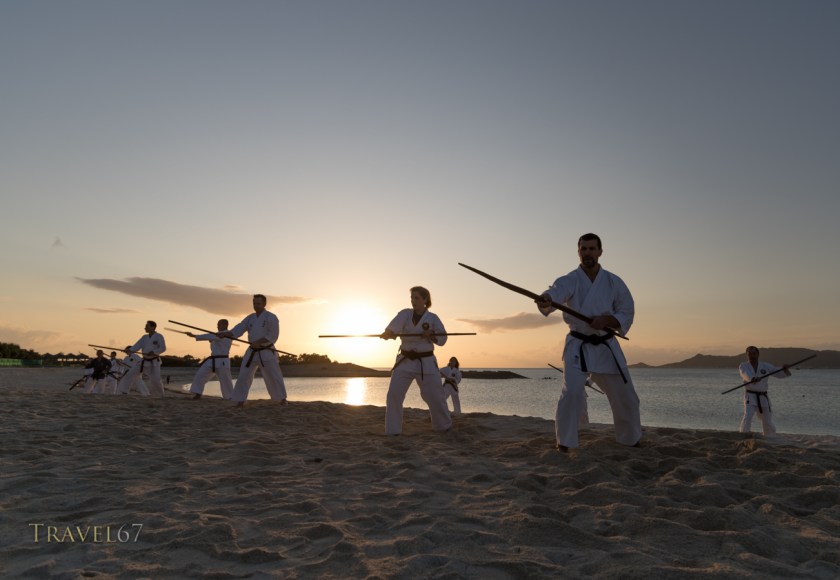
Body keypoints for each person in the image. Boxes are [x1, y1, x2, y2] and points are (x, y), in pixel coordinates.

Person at [536, 233, 642, 452]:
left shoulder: (614, 282)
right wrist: (547, 297)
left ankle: (629, 439)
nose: (588, 253)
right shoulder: (571, 279)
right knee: (572, 392)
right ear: (578, 252)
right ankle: (565, 442)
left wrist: (607, 320)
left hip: (606, 345)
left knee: (626, 396)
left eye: (592, 249)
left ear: (600, 251)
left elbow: (626, 311)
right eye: (583, 249)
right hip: (579, 345)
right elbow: (556, 292)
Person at [381, 286, 452, 435]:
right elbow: (394, 328)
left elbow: (443, 339)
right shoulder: (405, 314)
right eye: (412, 298)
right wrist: (389, 333)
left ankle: (443, 426)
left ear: (425, 300)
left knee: (435, 396)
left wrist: (431, 335)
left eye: (416, 298)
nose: (413, 301)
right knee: (394, 395)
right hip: (405, 360)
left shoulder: (433, 318)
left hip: (426, 362)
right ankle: (392, 431)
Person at [220, 294, 287, 406]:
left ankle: (281, 399)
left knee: (273, 375)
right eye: (254, 303)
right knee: (244, 375)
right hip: (252, 351)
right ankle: (240, 399)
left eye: (258, 304)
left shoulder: (271, 317)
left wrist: (259, 342)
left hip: (266, 351)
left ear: (264, 304)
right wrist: (224, 334)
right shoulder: (250, 318)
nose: (256, 306)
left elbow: (273, 335)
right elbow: (238, 329)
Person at [738, 346, 790, 436]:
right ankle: (743, 435)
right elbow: (744, 374)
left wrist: (784, 370)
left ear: (758, 355)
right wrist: (752, 378)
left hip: (763, 397)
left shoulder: (765, 366)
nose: (752, 356)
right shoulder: (743, 366)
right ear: (747, 355)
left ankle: (769, 436)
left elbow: (776, 372)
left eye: (754, 354)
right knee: (748, 416)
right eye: (750, 354)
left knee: (767, 419)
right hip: (750, 396)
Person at [187, 319, 234, 399]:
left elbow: (209, 336)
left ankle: (229, 397)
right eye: (217, 324)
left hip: (222, 362)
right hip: (212, 360)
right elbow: (212, 337)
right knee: (200, 375)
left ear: (225, 325)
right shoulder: (218, 335)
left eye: (219, 324)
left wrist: (194, 335)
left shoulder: (226, 335)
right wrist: (211, 340)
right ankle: (198, 393)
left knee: (226, 381)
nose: (217, 326)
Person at [118, 321, 166, 397]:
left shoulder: (159, 336)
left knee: (156, 380)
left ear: (153, 327)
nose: (145, 328)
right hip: (144, 361)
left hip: (154, 361)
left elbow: (163, 348)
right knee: (130, 373)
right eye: (145, 326)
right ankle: (124, 391)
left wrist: (154, 351)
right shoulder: (144, 337)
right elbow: (137, 346)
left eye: (147, 326)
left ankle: (160, 395)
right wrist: (129, 350)